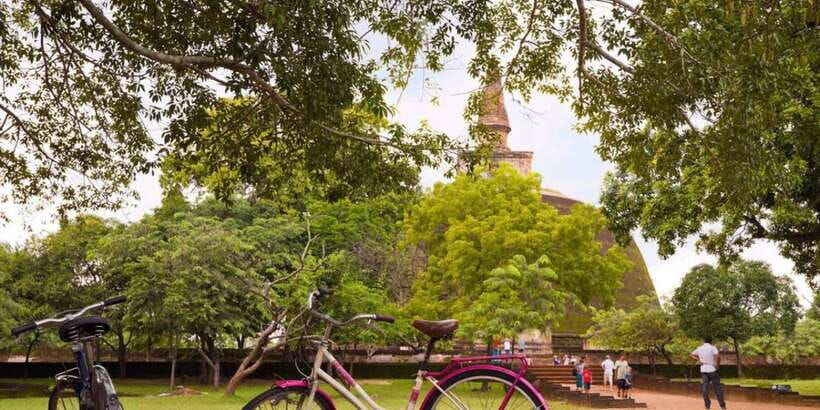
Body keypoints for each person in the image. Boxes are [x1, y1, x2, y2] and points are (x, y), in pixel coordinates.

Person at [691, 336, 727, 410]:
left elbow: (691, 354)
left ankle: (707, 406)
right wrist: (717, 365)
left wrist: (699, 360)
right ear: (711, 341)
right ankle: (722, 406)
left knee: (704, 389)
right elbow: (718, 356)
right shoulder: (712, 347)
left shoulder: (700, 348)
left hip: (704, 370)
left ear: (704, 341)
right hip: (712, 369)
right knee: (717, 389)